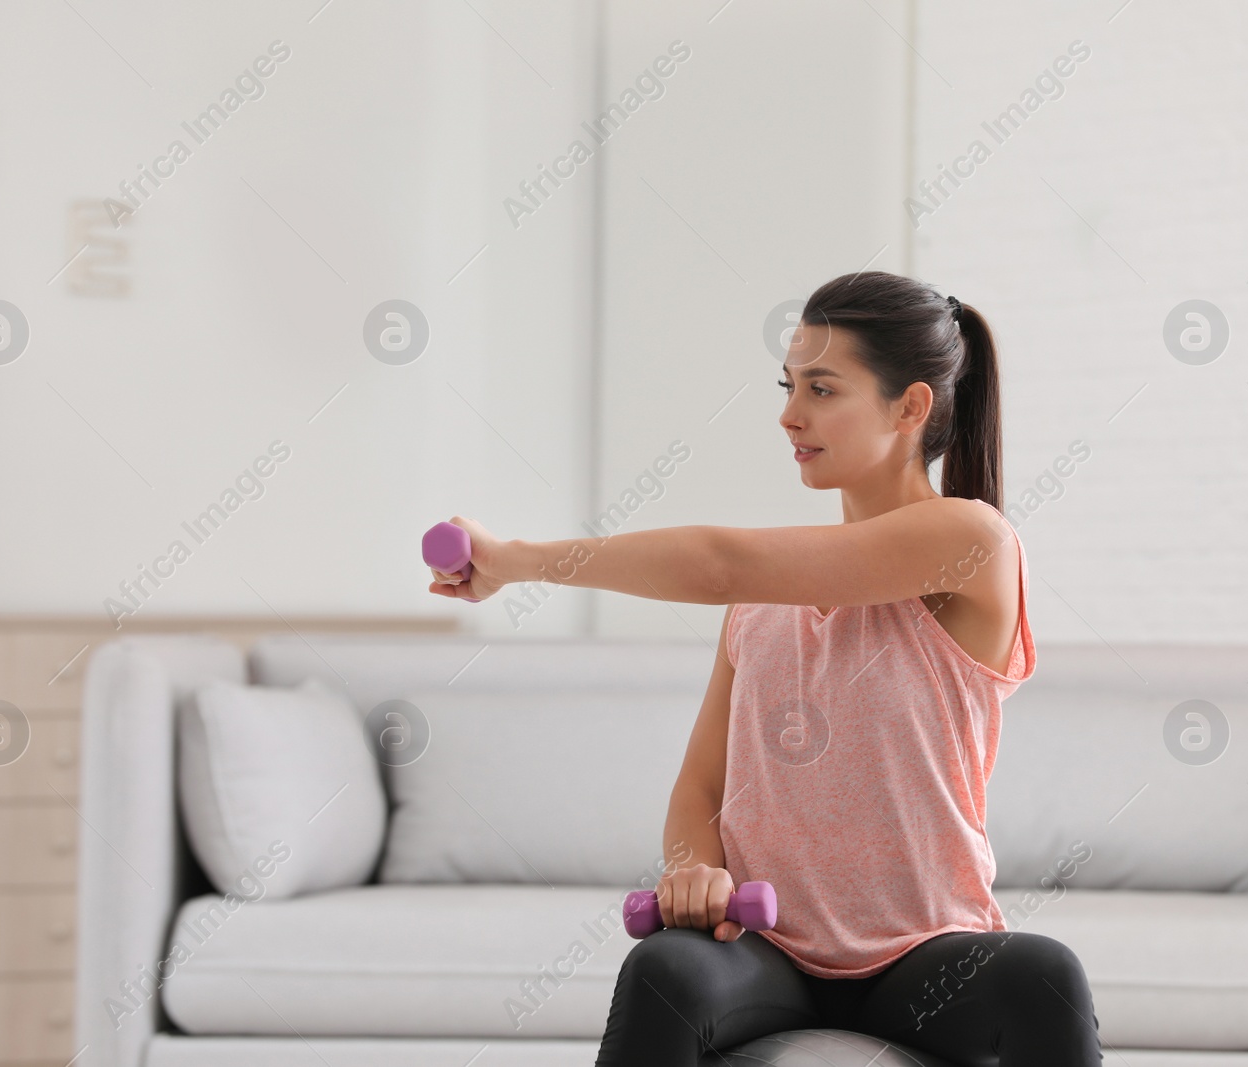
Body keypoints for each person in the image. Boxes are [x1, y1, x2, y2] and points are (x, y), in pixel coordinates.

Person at [426, 270, 1102, 1066]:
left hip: (927, 954)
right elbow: (702, 790)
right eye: (789, 386)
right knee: (664, 969)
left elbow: (719, 563)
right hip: (766, 951)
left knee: (1043, 975)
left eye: (821, 388)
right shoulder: (762, 604)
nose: (789, 414)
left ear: (910, 406)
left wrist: (518, 560)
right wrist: (693, 870)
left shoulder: (970, 542)